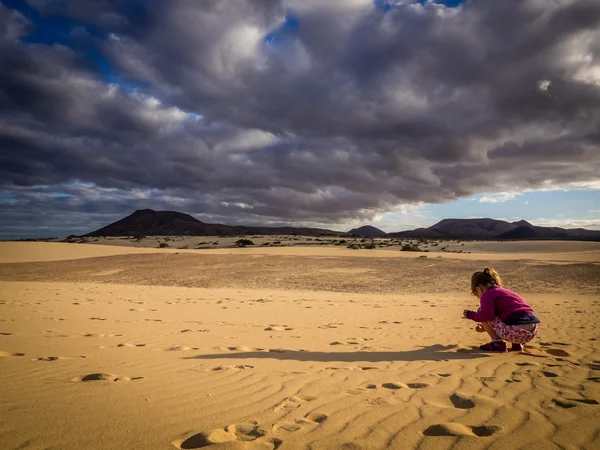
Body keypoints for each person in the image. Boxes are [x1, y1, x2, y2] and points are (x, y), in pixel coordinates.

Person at [463, 268, 540, 352]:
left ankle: (497, 343)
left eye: (476, 294)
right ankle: (517, 344)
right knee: (511, 314)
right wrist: (485, 328)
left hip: (515, 333)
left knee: (481, 310)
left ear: (478, 289)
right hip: (531, 332)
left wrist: (469, 314)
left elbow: (486, 315)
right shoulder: (506, 292)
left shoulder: (487, 294)